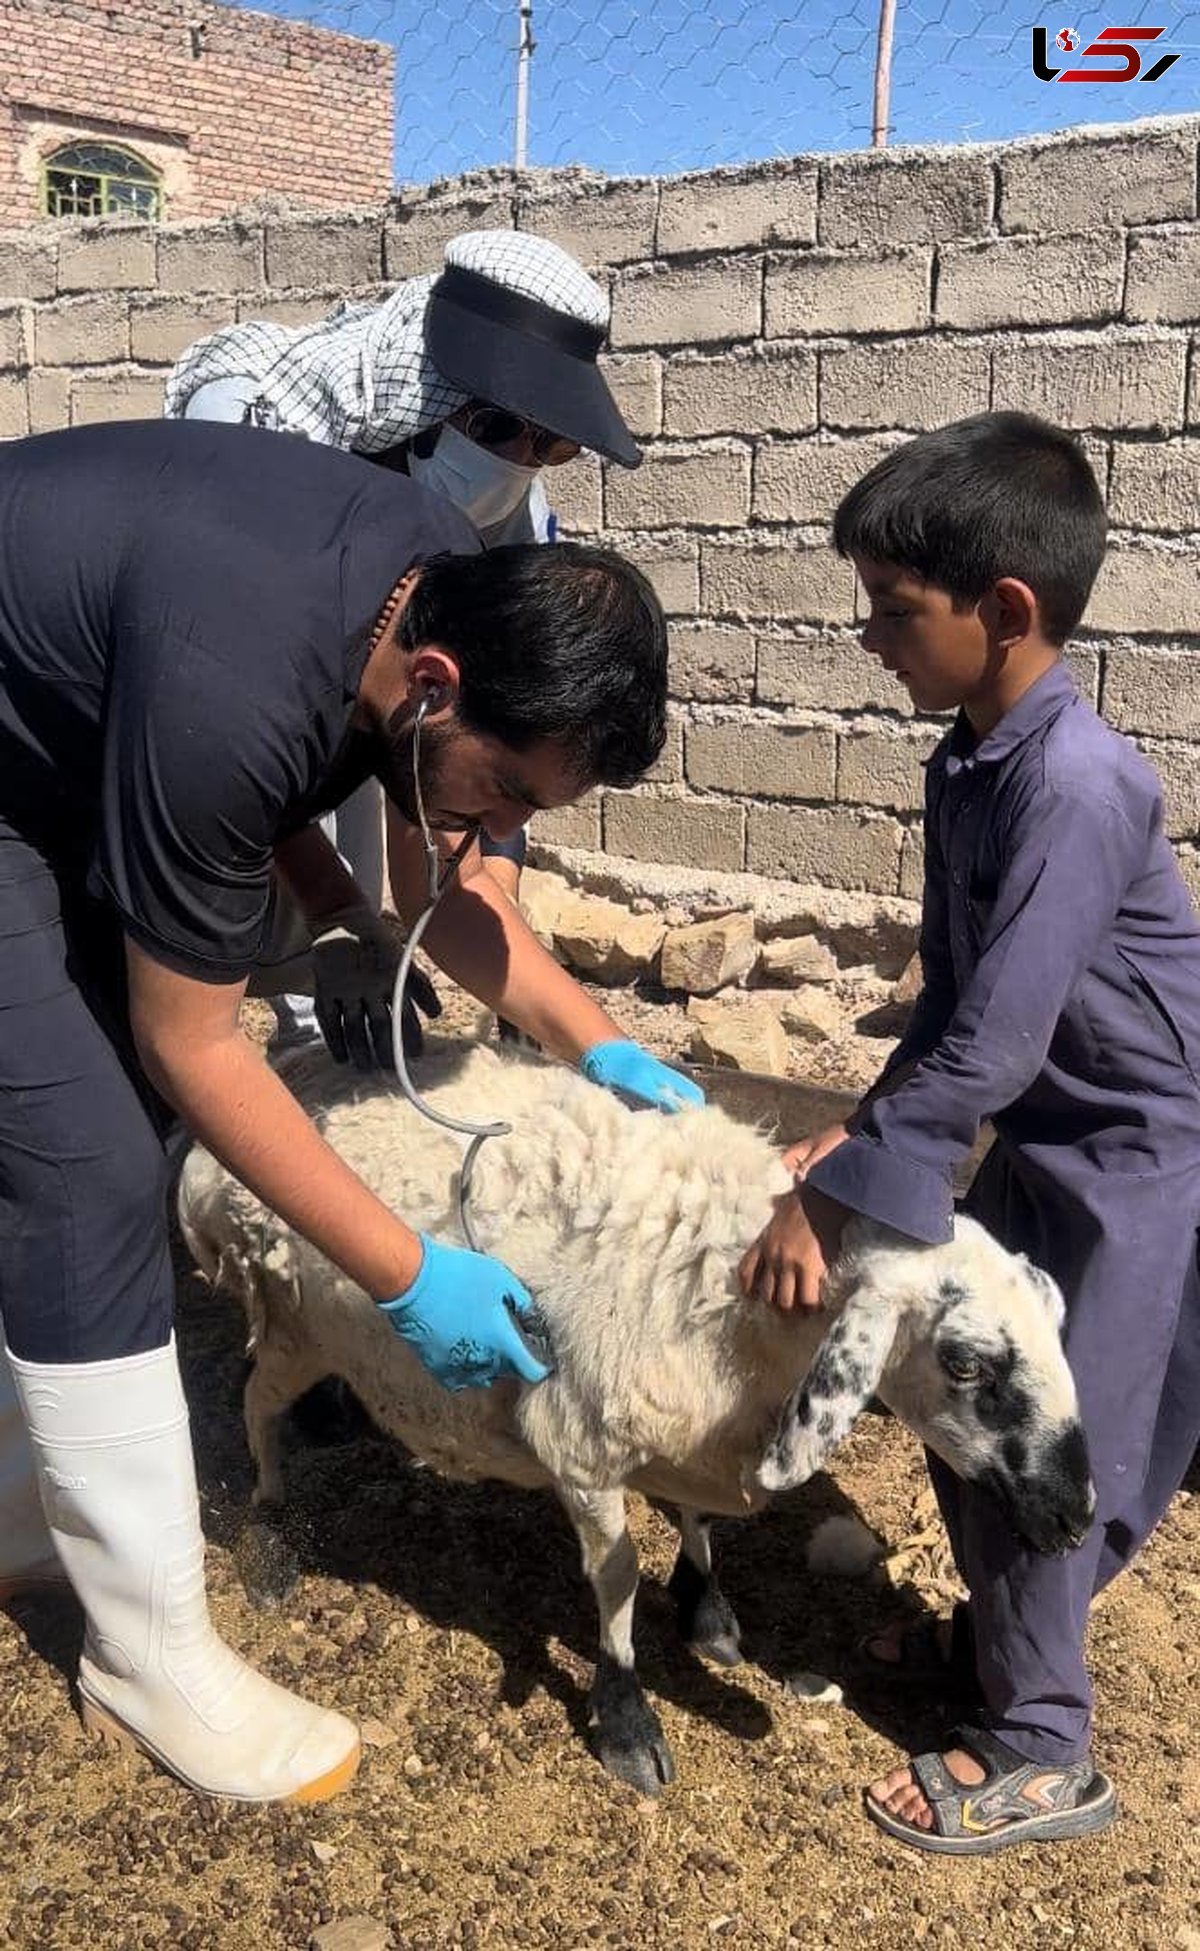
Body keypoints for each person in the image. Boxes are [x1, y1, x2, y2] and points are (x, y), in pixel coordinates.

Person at [0, 417, 698, 1805]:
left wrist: (603, 1046)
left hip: (74, 735)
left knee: (77, 1141)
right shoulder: (243, 672)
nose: (495, 818)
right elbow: (199, 1041)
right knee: (86, 1164)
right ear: (436, 684)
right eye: (503, 786)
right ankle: (150, 1655)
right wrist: (404, 1271)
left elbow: (457, 901)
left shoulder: (419, 606)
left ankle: (26, 1499)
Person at [740, 410, 1200, 1855]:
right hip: (1056, 1123)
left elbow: (995, 1039)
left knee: (1061, 1435)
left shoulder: (1075, 783)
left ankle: (1042, 1742)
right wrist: (863, 1133)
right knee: (969, 1385)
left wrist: (840, 1202)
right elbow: (961, 1003)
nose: (872, 637)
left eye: (893, 612)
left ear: (1005, 612)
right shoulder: (977, 753)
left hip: (1138, 1149)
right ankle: (1011, 1652)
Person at [165, 228, 641, 1060]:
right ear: (426, 397)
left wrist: (576, 1026)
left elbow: (463, 787)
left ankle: (317, 1056)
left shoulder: (504, 527)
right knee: (215, 966)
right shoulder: (256, 438)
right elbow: (218, 744)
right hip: (194, 718)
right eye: (500, 427)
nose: (524, 461)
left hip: (382, 700)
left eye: (552, 443)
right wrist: (338, 911)